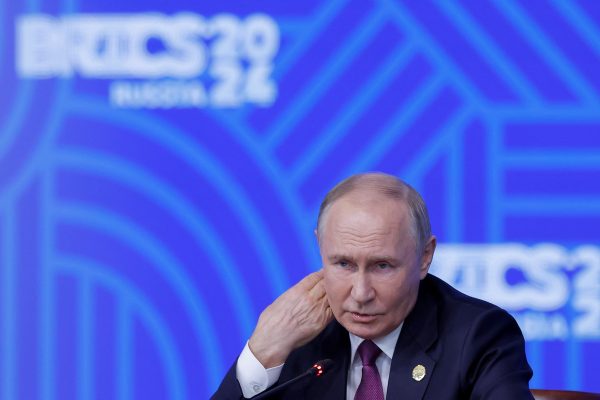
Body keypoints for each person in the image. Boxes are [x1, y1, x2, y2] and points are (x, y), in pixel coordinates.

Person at [212, 172, 533, 399]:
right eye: (343, 264)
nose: (361, 293)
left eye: (382, 266)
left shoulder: (478, 335)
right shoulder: (298, 339)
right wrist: (263, 354)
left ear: (424, 257)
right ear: (320, 248)